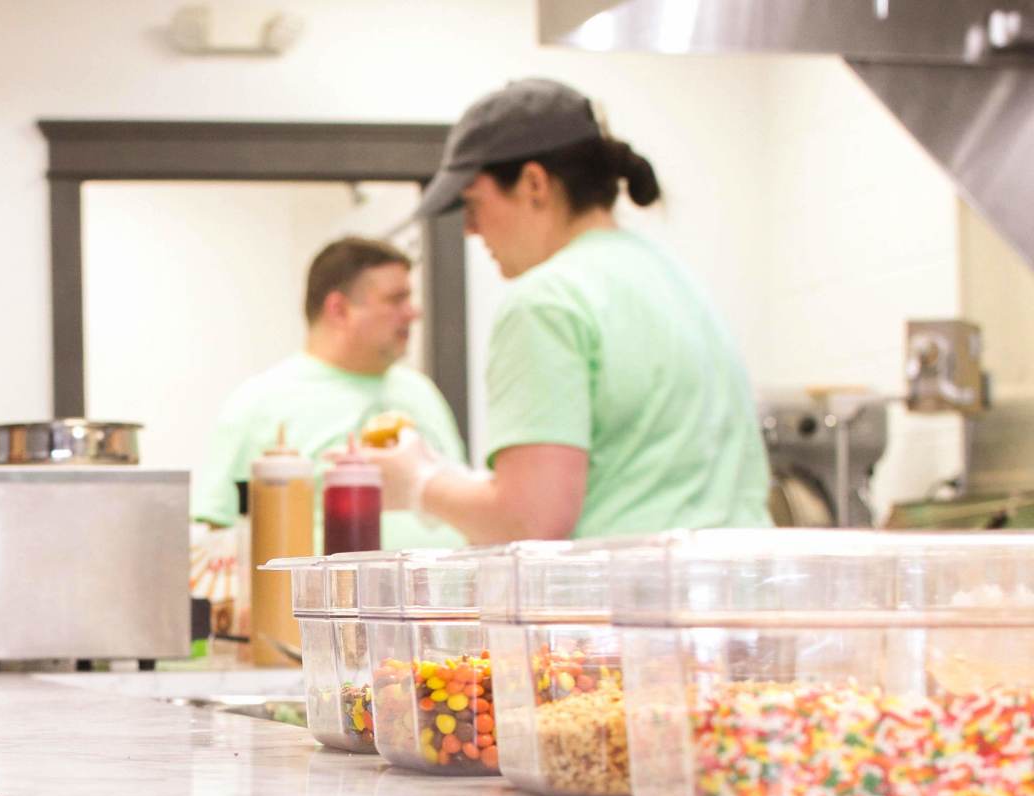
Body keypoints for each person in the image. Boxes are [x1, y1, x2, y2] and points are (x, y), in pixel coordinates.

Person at [364, 77, 772, 543]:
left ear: (534, 184)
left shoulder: (547, 302)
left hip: (632, 603)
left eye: (474, 204)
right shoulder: (672, 278)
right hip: (731, 594)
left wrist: (418, 485)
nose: (470, 231)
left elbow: (530, 521)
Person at [192, 236, 468, 549]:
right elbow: (213, 536)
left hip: (450, 594)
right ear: (338, 309)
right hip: (325, 597)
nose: (413, 313)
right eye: (395, 300)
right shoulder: (260, 402)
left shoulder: (422, 391)